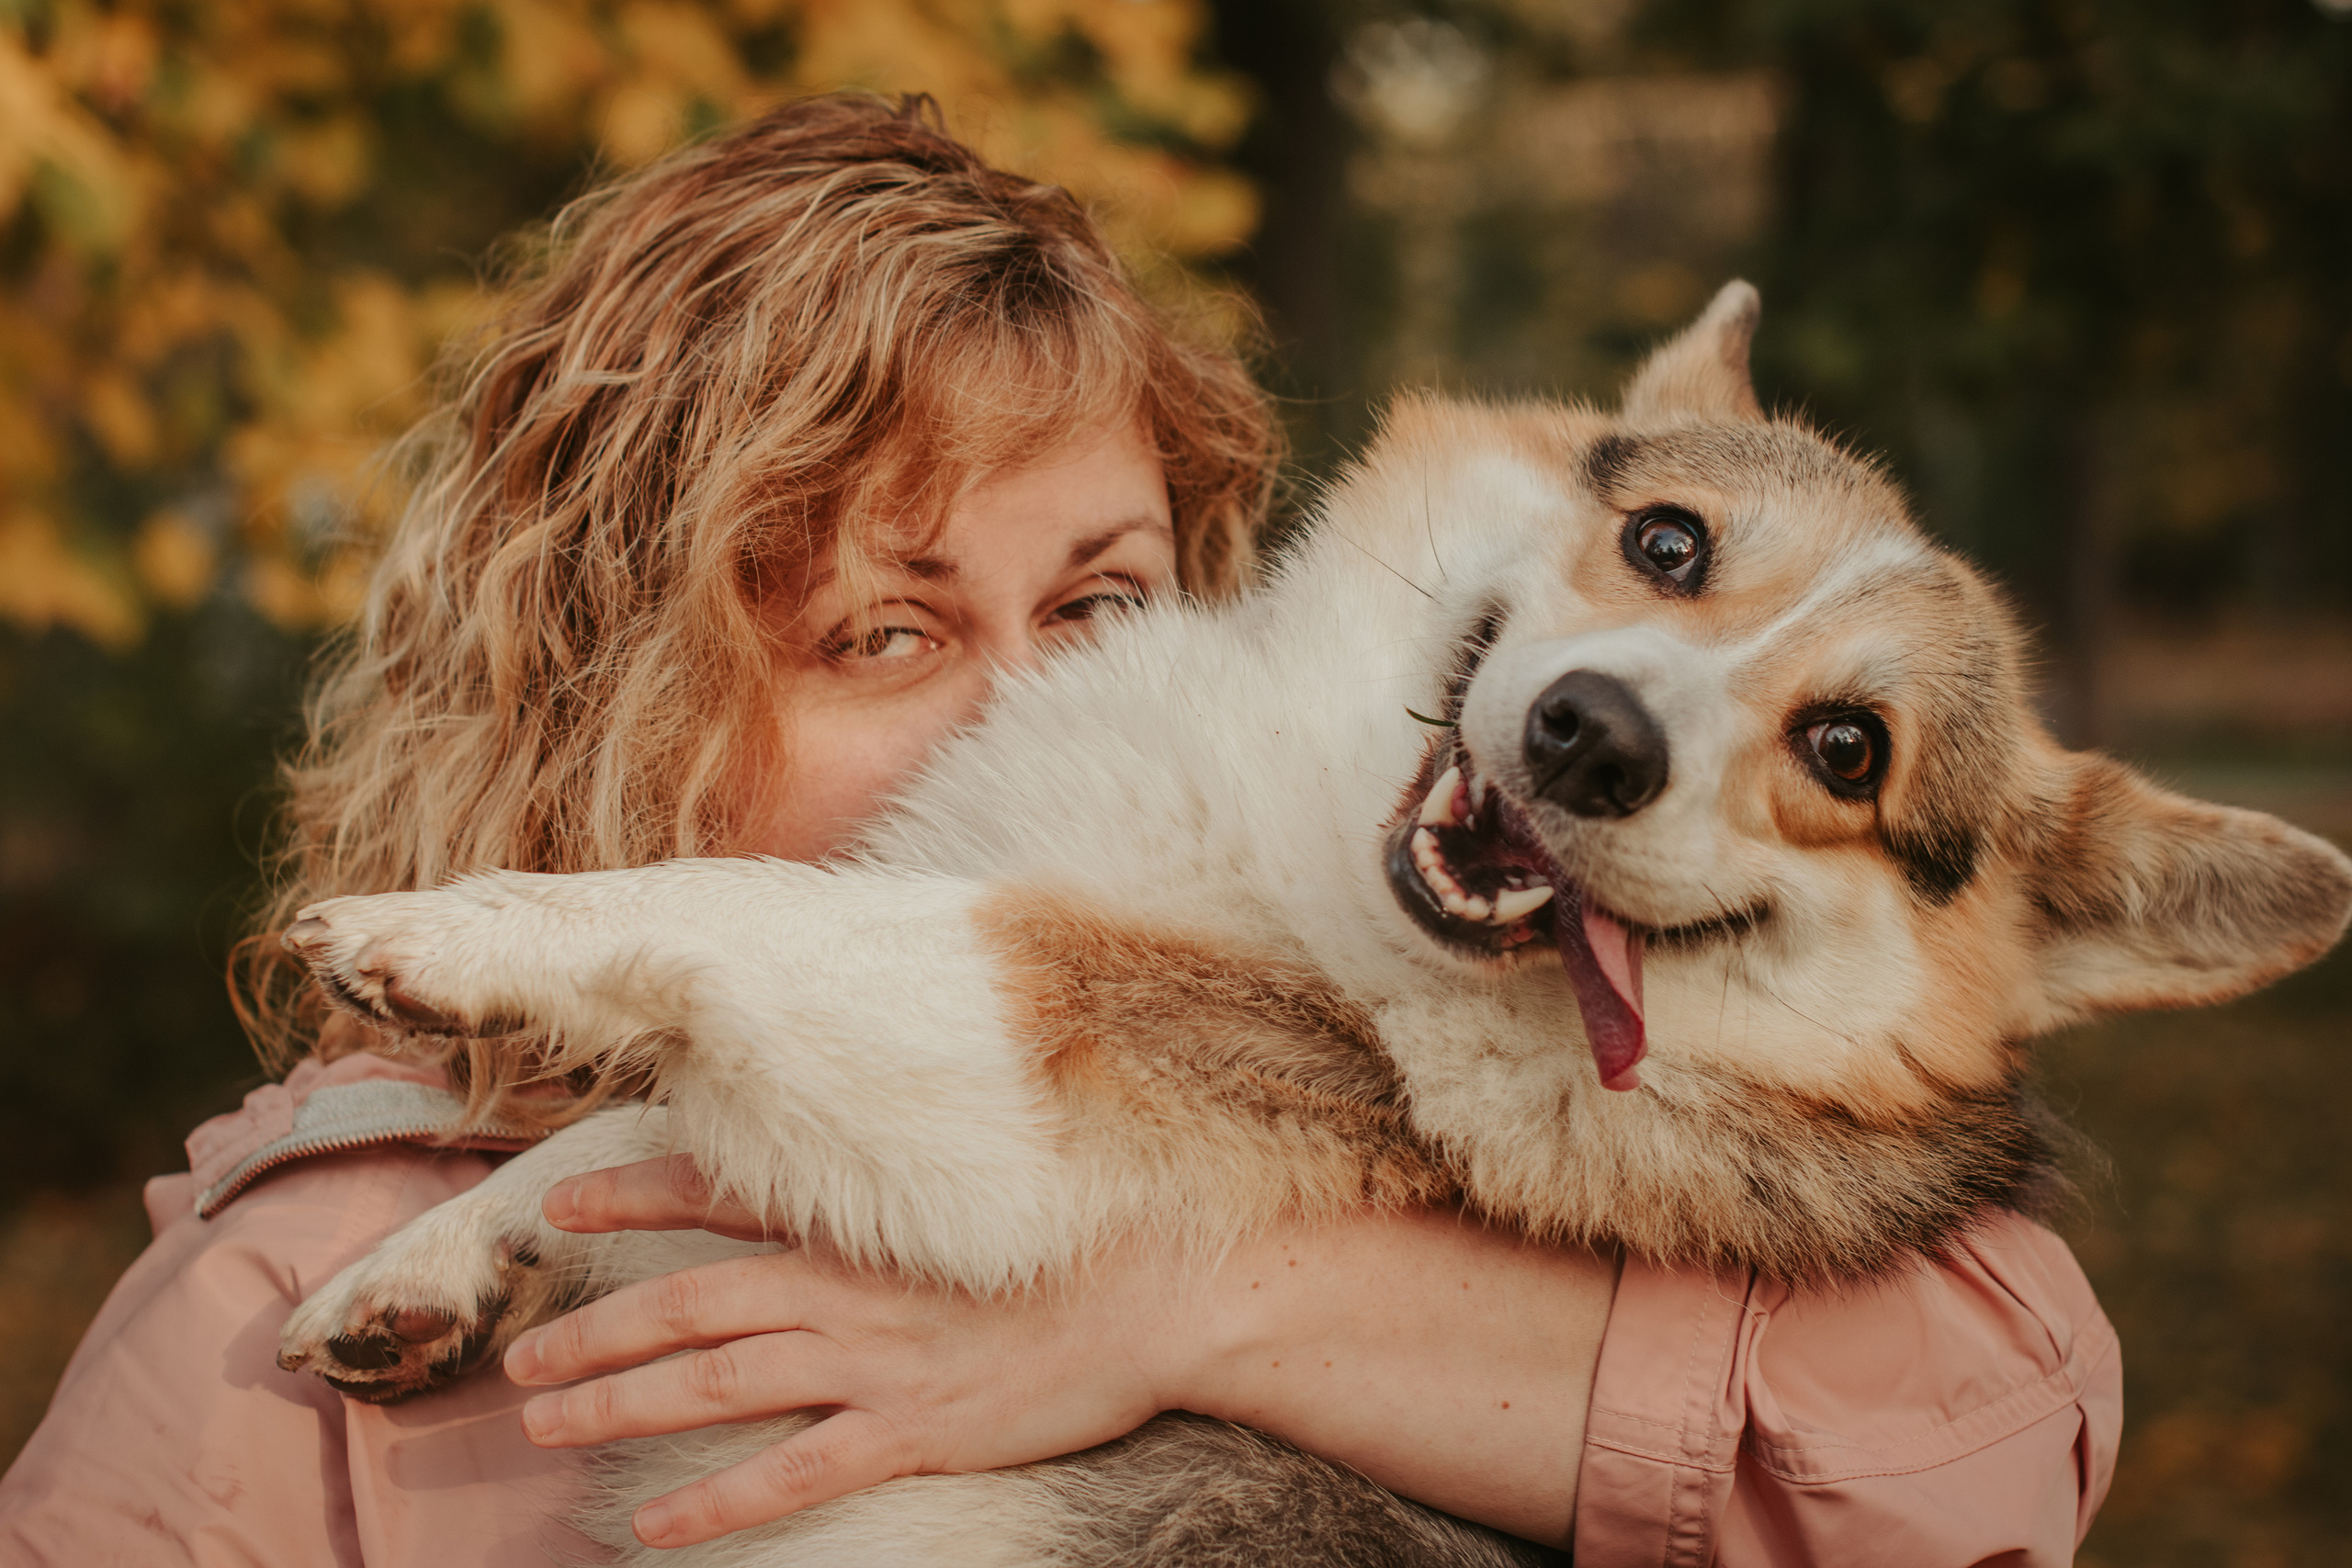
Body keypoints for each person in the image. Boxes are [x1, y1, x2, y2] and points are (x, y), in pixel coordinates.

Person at [0, 95, 2119, 1567]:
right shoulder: (263, 1334)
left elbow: (1986, 1420)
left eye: (1098, 601)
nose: (1032, 703)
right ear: (616, 691)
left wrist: (1199, 1311)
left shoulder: (1449, 1029)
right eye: (884, 629)